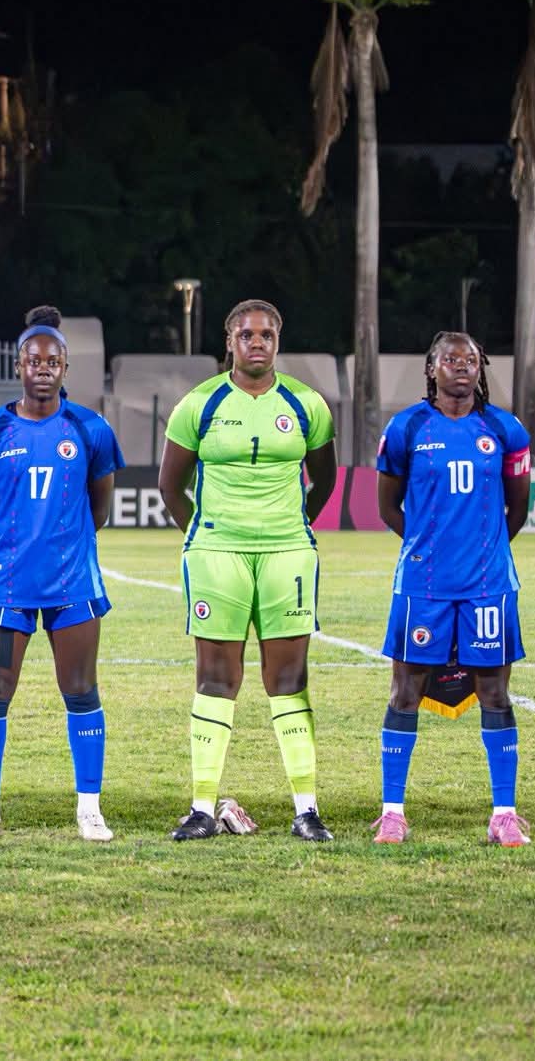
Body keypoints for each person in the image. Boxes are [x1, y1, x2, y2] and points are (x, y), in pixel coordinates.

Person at [158, 298, 337, 842]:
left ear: (277, 342)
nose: (256, 343)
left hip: (287, 555)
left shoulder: (308, 405)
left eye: (266, 335)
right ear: (229, 341)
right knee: (217, 679)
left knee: (288, 680)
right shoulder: (200, 403)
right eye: (246, 335)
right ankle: (202, 809)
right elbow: (171, 486)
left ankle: (306, 809)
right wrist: (206, 531)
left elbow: (324, 482)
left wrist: (290, 528)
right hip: (217, 555)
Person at [0, 305, 124, 842]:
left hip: (73, 585)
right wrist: (11, 553)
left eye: (53, 360)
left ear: (65, 367)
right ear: (18, 365)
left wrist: (62, 549)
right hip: (8, 587)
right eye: (34, 359)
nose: (43, 367)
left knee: (80, 688)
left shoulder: (89, 428)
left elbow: (99, 508)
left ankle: (89, 808)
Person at [373, 331, 534, 847]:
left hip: (488, 587)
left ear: (481, 370)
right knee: (405, 691)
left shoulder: (505, 429)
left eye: (470, 360)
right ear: (431, 369)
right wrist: (430, 548)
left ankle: (503, 814)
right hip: (422, 586)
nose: (461, 367)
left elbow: (518, 509)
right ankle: (393, 812)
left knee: (494, 693)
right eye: (450, 360)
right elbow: (388, 508)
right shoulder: (407, 428)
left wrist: (484, 551)